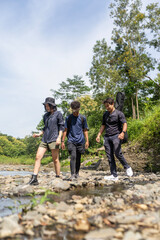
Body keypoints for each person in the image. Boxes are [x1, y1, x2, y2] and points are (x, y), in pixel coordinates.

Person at [28, 97, 64, 185]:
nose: (46, 107)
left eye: (48, 106)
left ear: (52, 106)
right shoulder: (45, 116)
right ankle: (34, 177)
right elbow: (45, 128)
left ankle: (58, 176)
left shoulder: (58, 114)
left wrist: (59, 137)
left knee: (55, 159)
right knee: (38, 157)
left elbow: (61, 127)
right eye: (45, 106)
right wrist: (39, 134)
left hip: (54, 138)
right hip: (45, 139)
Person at [96, 97, 133, 181]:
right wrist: (98, 135)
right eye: (105, 106)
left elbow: (125, 123)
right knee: (109, 156)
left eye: (108, 106)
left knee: (117, 153)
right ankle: (114, 175)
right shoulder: (105, 114)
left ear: (112, 104)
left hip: (116, 136)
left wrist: (123, 133)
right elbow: (103, 125)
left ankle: (127, 167)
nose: (107, 108)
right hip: (107, 137)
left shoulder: (119, 113)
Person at [61, 101, 89, 180]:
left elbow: (85, 130)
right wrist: (62, 141)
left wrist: (87, 141)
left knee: (78, 158)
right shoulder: (68, 118)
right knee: (73, 156)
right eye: (74, 111)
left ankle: (77, 173)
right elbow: (65, 130)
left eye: (76, 110)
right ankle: (72, 174)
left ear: (79, 109)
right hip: (71, 140)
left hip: (80, 141)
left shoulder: (83, 118)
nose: (75, 112)